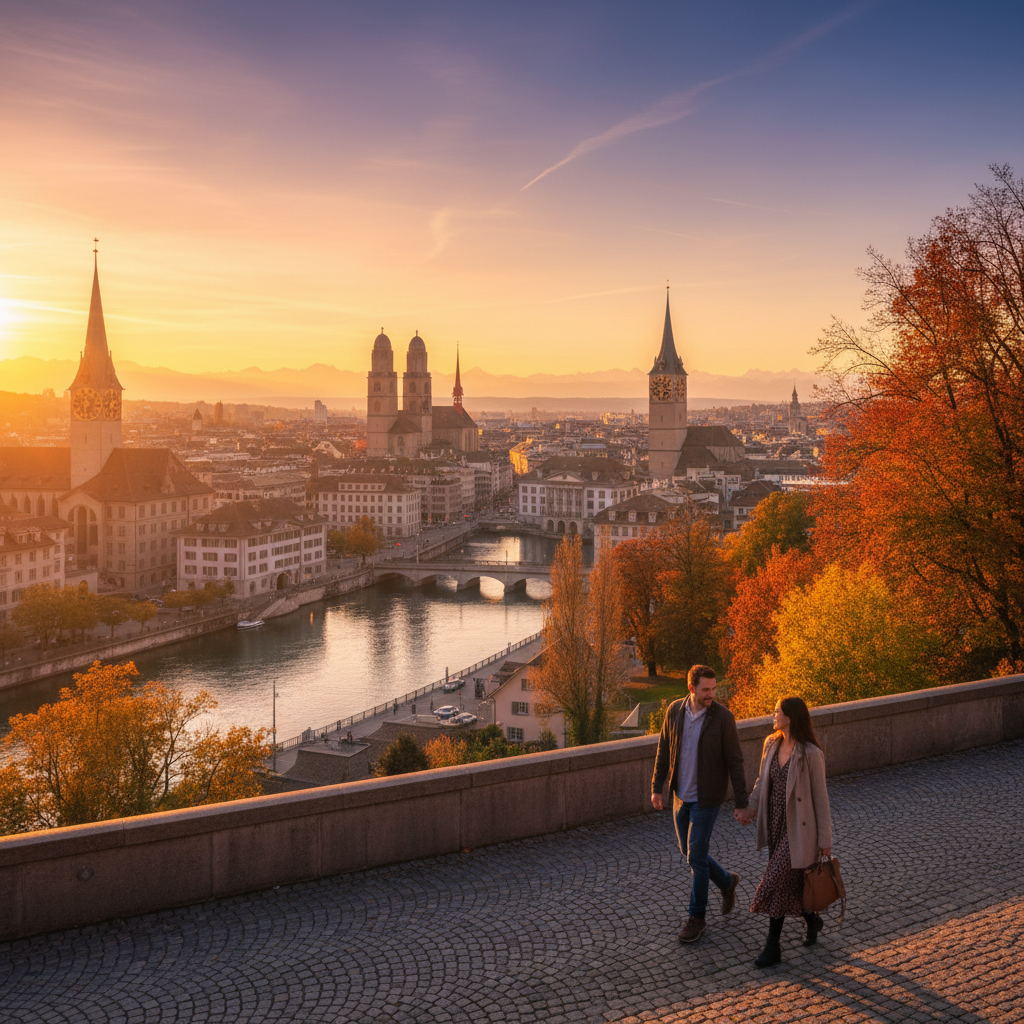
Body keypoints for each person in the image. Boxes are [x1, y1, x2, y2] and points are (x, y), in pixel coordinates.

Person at [652, 665, 749, 944]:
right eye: (706, 689)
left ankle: (697, 918)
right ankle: (727, 882)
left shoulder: (723, 718)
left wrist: (742, 803)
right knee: (690, 853)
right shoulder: (674, 711)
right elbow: (663, 751)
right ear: (691, 688)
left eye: (714, 688)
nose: (711, 694)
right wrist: (656, 788)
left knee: (696, 856)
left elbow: (735, 762)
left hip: (707, 799)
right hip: (679, 797)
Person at [736, 696, 833, 967]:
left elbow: (821, 799)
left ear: (790, 717)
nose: (773, 714)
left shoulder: (811, 753)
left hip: (800, 829)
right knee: (793, 882)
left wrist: (825, 840)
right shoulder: (771, 743)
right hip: (775, 823)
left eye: (777, 711)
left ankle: (772, 947)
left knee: (776, 880)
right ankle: (813, 920)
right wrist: (748, 808)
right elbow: (761, 782)